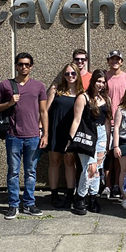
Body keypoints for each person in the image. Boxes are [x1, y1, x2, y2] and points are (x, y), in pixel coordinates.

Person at [0, 53, 48, 219]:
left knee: (31, 172)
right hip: (13, 135)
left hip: (33, 136)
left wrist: (45, 133)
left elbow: (43, 111)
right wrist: (9, 103)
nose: (23, 67)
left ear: (31, 66)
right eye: (20, 64)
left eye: (27, 64)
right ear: (16, 66)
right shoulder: (5, 85)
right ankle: (13, 205)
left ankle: (29, 204)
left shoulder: (39, 86)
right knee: (13, 172)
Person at [68, 69, 111, 215]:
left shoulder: (106, 99)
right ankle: (80, 197)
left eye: (103, 82)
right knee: (89, 169)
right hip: (87, 135)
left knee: (98, 170)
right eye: (98, 81)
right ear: (93, 82)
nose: (101, 84)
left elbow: (107, 122)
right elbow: (76, 119)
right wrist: (70, 139)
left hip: (101, 135)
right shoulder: (83, 97)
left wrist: (108, 141)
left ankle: (93, 198)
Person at [46, 62, 83, 209]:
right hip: (55, 129)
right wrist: (42, 128)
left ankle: (69, 194)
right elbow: (45, 110)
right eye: (67, 73)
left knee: (70, 162)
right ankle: (54, 194)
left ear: (77, 75)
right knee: (54, 161)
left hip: (71, 132)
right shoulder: (56, 89)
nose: (70, 76)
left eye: (73, 73)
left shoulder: (81, 92)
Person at [104, 49, 126, 198]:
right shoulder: (104, 77)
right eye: (112, 59)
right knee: (107, 155)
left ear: (121, 62)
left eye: (118, 59)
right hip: (106, 120)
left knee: (119, 155)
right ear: (108, 61)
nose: (115, 62)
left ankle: (117, 185)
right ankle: (107, 186)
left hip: (122, 122)